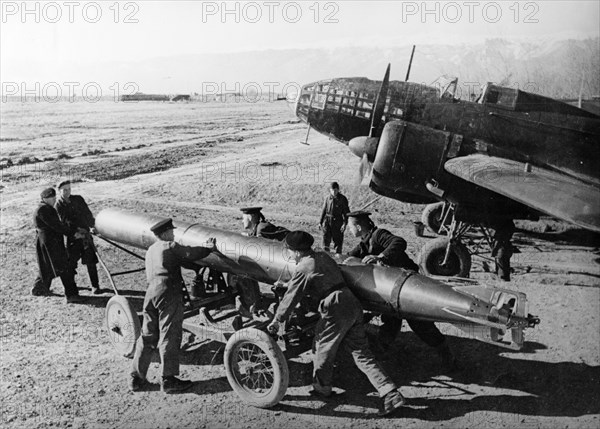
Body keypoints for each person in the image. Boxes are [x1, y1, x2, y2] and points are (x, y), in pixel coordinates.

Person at [267, 231, 406, 416]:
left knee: (321, 346)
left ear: (297, 252)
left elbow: (291, 297)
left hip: (335, 307)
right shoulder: (322, 256)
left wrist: (277, 320)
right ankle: (389, 392)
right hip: (351, 302)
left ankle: (321, 388)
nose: (290, 255)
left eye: (290, 252)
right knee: (361, 352)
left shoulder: (303, 267)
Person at [346, 211, 459, 371]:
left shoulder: (378, 235)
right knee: (391, 319)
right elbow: (351, 255)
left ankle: (448, 357)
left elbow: (399, 242)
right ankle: (382, 350)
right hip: (394, 289)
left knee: (420, 324)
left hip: (409, 287)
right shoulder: (365, 241)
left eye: (350, 226)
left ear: (358, 226)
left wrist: (381, 257)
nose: (348, 230)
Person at [129, 218, 216, 393]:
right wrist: (208, 247)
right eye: (172, 232)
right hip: (168, 293)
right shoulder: (170, 246)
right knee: (170, 333)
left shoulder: (151, 250)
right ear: (166, 233)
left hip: (150, 293)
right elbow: (191, 253)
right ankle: (168, 380)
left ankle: (136, 378)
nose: (174, 234)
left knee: (148, 335)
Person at [232, 207, 289, 317]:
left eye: (243, 218)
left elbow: (262, 246)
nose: (242, 221)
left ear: (251, 217)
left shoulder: (262, 228)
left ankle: (253, 303)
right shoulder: (259, 227)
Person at [32, 187, 82, 303]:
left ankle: (38, 288)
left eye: (54, 197)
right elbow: (57, 226)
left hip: (49, 243)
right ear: (44, 198)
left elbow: (59, 225)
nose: (54, 200)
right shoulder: (43, 210)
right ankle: (71, 295)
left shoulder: (46, 208)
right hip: (50, 244)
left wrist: (74, 229)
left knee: (47, 266)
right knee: (65, 267)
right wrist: (74, 233)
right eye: (51, 198)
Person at [54, 179, 101, 294]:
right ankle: (71, 286)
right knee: (70, 263)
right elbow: (63, 223)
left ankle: (95, 286)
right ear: (59, 191)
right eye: (64, 190)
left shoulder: (78, 199)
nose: (67, 192)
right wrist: (75, 233)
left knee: (91, 261)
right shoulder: (58, 205)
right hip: (72, 238)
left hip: (85, 236)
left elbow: (87, 214)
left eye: (69, 189)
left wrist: (93, 225)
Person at [319, 182, 350, 253]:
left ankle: (338, 260)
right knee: (325, 241)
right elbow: (323, 210)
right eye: (332, 190)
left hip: (338, 222)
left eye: (335, 190)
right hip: (327, 222)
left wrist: (345, 224)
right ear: (330, 190)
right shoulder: (327, 198)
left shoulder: (343, 199)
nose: (334, 192)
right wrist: (320, 222)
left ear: (338, 190)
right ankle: (325, 257)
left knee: (338, 242)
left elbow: (346, 213)